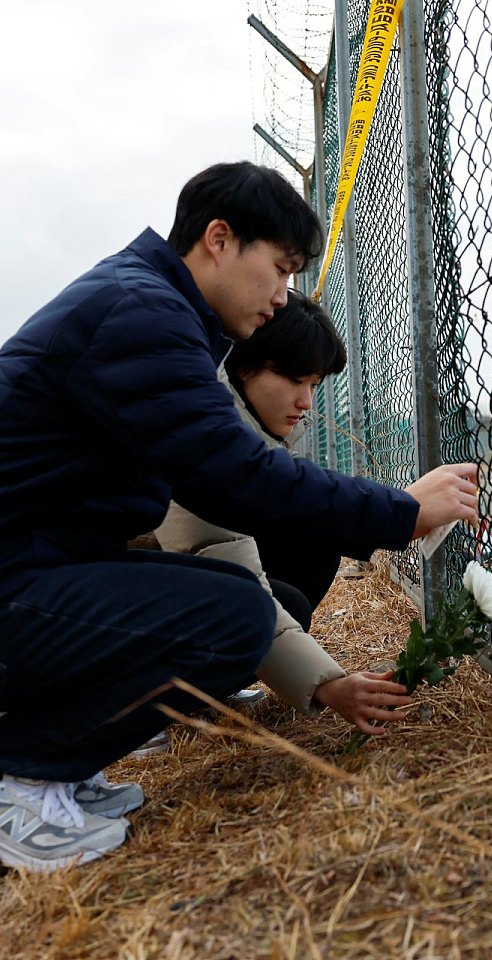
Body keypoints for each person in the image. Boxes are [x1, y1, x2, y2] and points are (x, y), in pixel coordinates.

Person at [0, 161, 479, 872]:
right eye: (279, 270)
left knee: (234, 605)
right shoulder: (140, 314)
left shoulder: (150, 311)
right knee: (233, 620)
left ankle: (54, 771)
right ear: (219, 240)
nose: (283, 297)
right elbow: (234, 478)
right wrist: (401, 512)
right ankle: (3, 779)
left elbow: (224, 492)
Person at [148, 289, 394, 737]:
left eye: (314, 385)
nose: (305, 401)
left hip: (150, 590)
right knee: (270, 606)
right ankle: (144, 711)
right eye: (293, 379)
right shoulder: (203, 430)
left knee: (312, 539)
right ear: (244, 366)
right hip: (97, 611)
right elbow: (218, 557)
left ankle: (210, 683)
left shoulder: (243, 426)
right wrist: (328, 685)